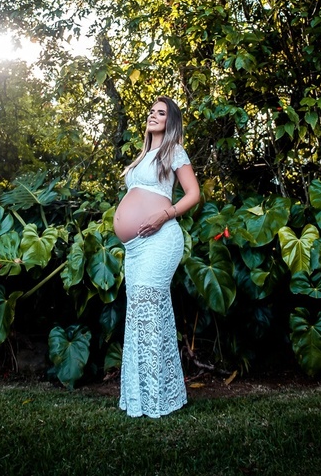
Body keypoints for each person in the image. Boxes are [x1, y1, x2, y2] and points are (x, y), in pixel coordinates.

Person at [114, 96, 200, 418]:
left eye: (161, 113)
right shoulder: (141, 158)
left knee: (149, 309)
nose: (153, 116)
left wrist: (164, 215)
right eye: (152, 112)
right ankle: (141, 398)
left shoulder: (173, 151)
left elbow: (194, 194)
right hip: (135, 247)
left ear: (171, 121)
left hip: (161, 239)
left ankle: (156, 401)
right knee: (138, 316)